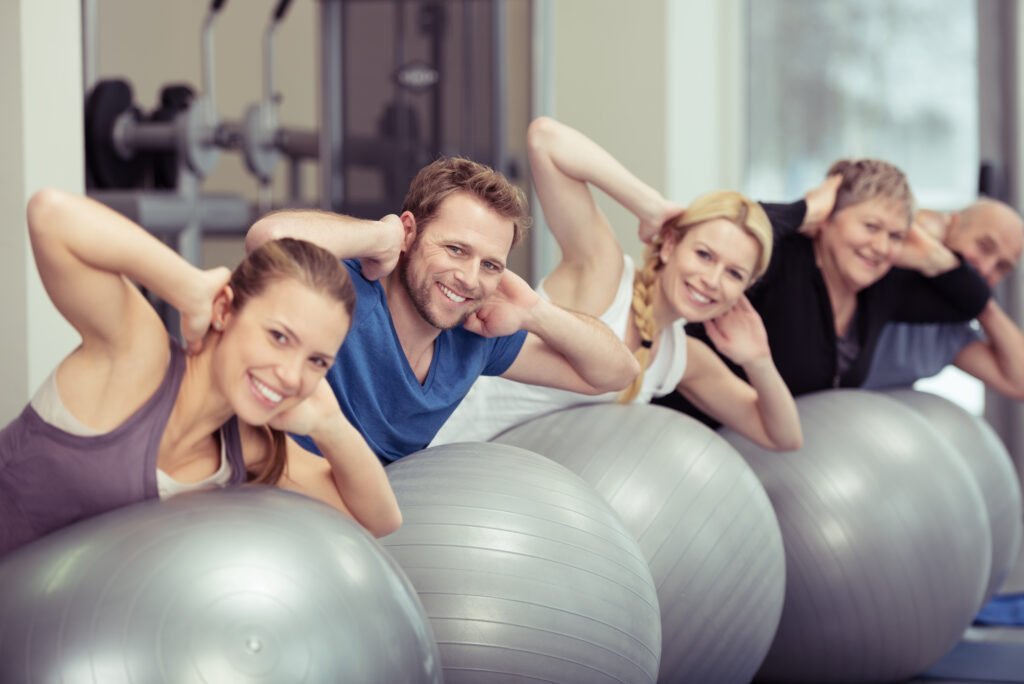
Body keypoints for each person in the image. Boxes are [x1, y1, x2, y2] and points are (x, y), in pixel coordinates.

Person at [0, 189, 401, 558]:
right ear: (224, 310)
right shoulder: (140, 355)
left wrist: (329, 425)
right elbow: (49, 214)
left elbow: (377, 521)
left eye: (317, 361)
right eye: (278, 337)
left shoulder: (249, 447)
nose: (291, 375)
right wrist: (187, 286)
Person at [432, 117, 802, 450]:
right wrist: (650, 205)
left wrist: (758, 360)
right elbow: (545, 139)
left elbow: (783, 437)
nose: (712, 280)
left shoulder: (679, 357)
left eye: (734, 274)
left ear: (747, 287)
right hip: (437, 440)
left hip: (498, 479)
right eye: (704, 255)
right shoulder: (604, 271)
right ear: (670, 244)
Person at [245, 156, 641, 463]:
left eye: (490, 265)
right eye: (455, 249)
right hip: (270, 492)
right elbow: (267, 240)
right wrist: (381, 235)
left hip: (360, 515)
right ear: (410, 232)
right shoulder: (346, 288)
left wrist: (535, 312)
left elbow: (617, 373)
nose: (469, 279)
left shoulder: (477, 335)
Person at [654, 159, 993, 425]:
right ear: (827, 219)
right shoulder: (783, 259)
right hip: (687, 431)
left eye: (895, 236)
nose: (880, 246)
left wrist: (933, 256)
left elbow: (971, 302)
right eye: (871, 226)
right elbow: (736, 230)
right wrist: (804, 209)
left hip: (773, 453)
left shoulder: (883, 288)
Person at [862, 199, 1024, 399]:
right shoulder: (880, 264)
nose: (986, 268)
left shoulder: (951, 332)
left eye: (1002, 267)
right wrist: (939, 256)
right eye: (984, 246)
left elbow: (1020, 383)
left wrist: (983, 305)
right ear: (951, 224)